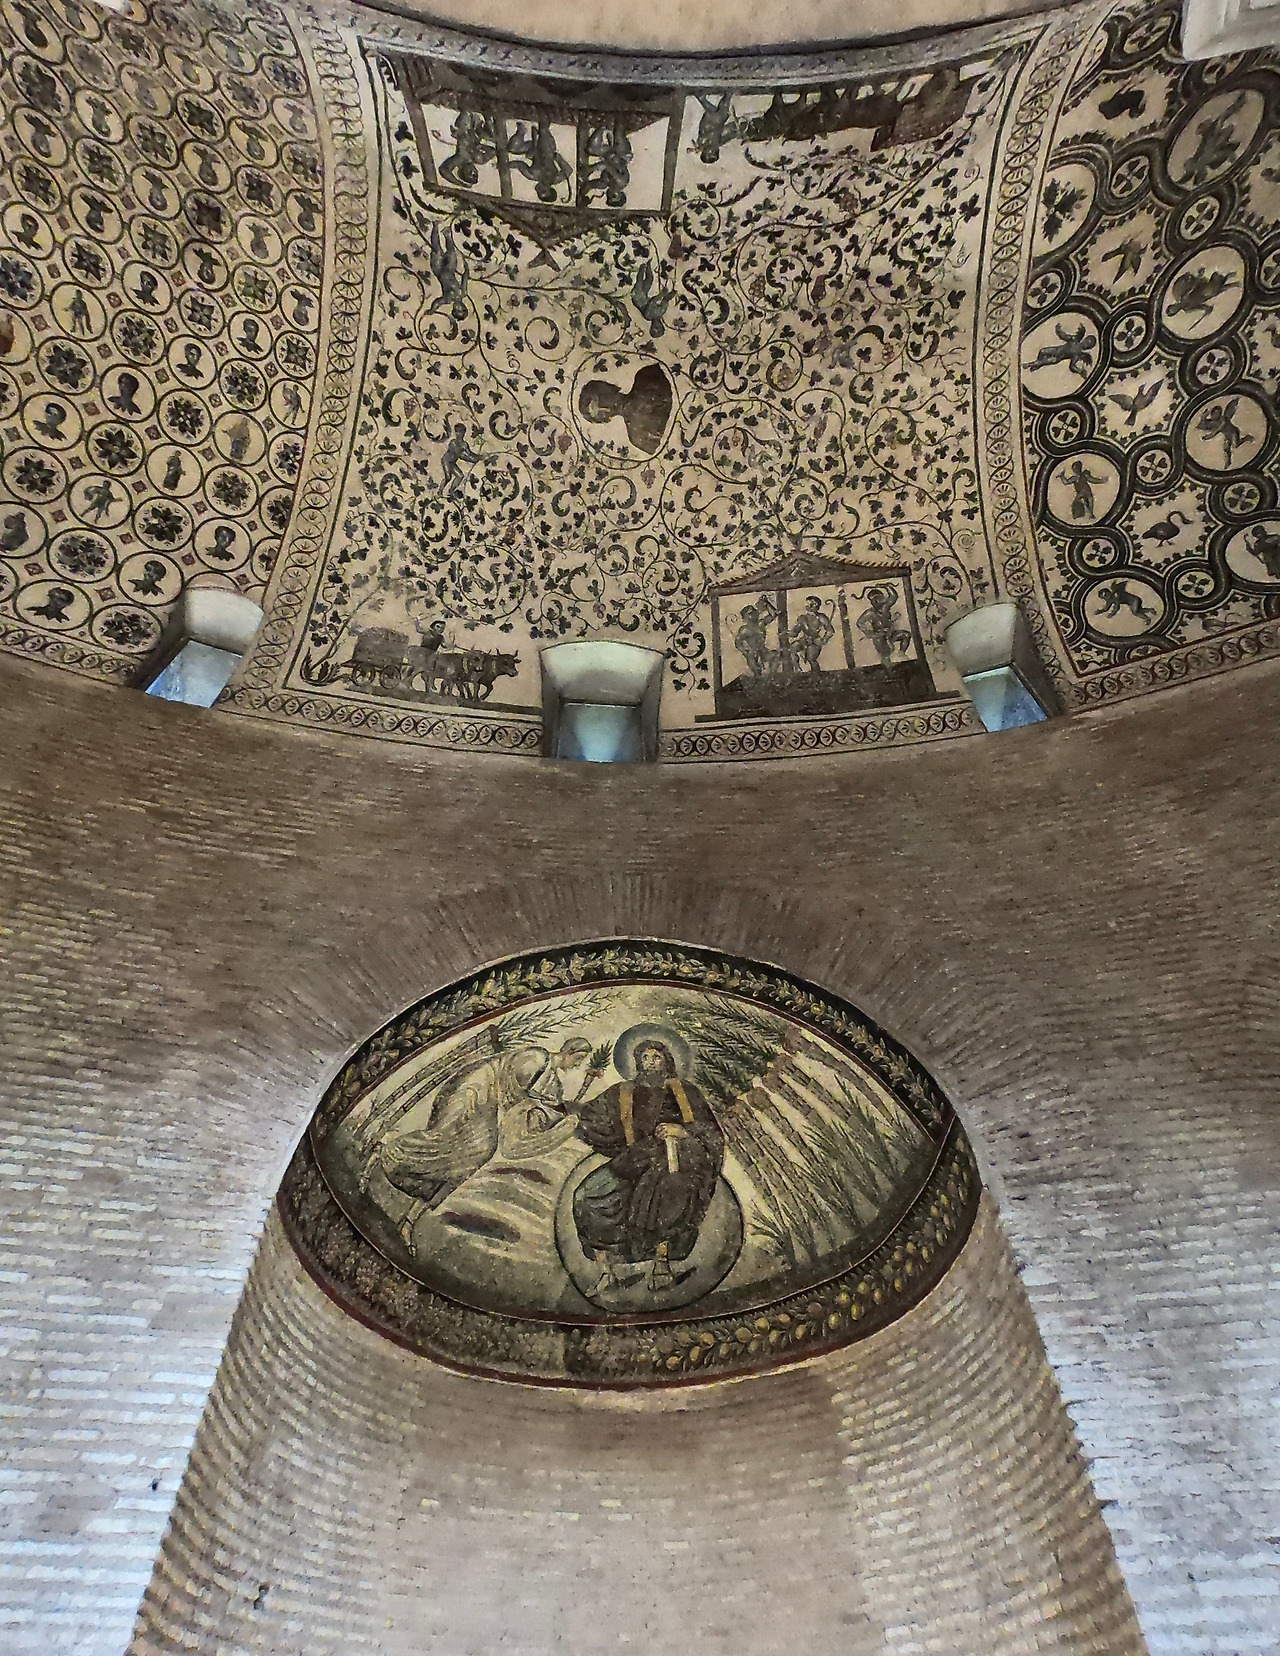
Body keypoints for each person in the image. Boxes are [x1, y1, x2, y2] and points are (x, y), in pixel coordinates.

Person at [573, 1035, 723, 1294]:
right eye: (645, 1057)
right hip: (633, 1160)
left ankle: (661, 1264)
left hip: (675, 1159)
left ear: (667, 1060)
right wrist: (570, 1111)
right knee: (586, 1196)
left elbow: (712, 1133)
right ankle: (607, 1272)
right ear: (637, 1062)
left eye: (656, 1057)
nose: (651, 1062)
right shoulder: (623, 1092)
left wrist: (682, 1131)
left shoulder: (684, 1091)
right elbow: (593, 1115)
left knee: (666, 1191)